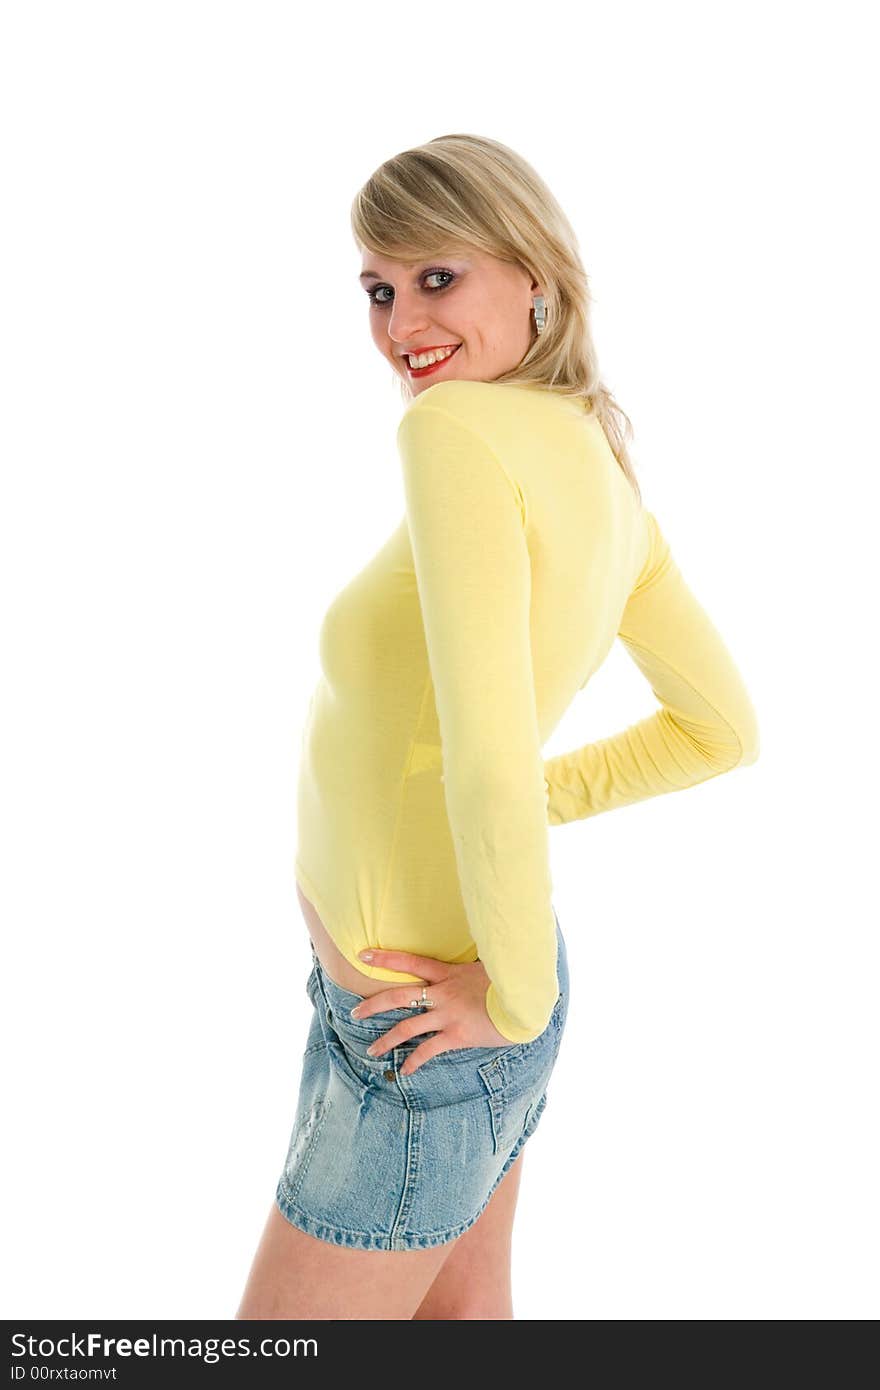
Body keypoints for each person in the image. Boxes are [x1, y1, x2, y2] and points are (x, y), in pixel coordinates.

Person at [236, 133, 759, 1320]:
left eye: (436, 278)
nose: (398, 323)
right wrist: (517, 950)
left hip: (427, 1035)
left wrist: (507, 997)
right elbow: (718, 728)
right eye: (378, 287)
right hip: (459, 996)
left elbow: (485, 752)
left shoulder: (453, 434)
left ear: (534, 271)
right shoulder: (598, 470)